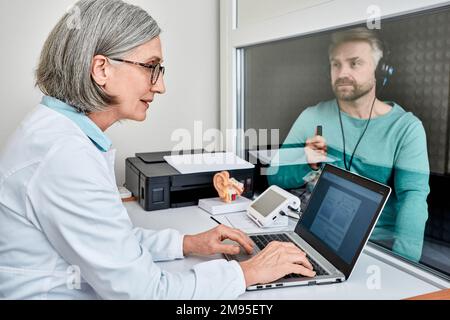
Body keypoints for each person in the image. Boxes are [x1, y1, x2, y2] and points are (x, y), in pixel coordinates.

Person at [0, 0, 316, 300]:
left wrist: (187, 243)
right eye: (151, 67)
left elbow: (110, 241)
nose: (160, 85)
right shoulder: (64, 155)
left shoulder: (61, 134)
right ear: (101, 69)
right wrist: (247, 273)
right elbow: (147, 293)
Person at [268, 27, 430, 262]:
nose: (342, 72)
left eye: (355, 63)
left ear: (379, 69)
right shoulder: (312, 117)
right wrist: (308, 164)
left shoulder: (406, 128)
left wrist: (405, 266)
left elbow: (413, 200)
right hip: (314, 238)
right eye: (336, 64)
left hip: (375, 248)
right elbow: (274, 175)